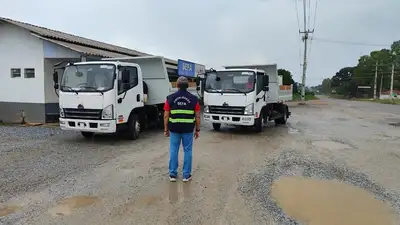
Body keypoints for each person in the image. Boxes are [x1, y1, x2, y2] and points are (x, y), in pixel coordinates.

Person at [163, 76, 201, 182]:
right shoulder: (194, 99)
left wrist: (166, 129)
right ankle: (186, 175)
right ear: (187, 86)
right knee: (188, 151)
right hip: (188, 129)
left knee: (173, 150)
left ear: (177, 85)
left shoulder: (170, 98)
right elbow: (197, 116)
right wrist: (197, 130)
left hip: (174, 128)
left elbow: (166, 115)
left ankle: (172, 174)